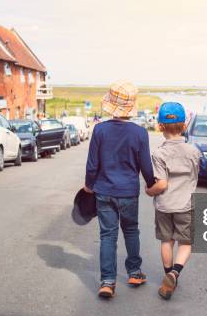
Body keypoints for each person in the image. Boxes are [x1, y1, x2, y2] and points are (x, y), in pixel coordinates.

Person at [84, 80, 155, 299]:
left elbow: (92, 164)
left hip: (104, 191)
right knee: (131, 231)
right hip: (129, 192)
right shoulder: (140, 133)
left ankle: (107, 282)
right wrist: (152, 183)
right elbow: (146, 166)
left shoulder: (100, 130)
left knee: (108, 235)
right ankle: (134, 272)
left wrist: (89, 185)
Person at [146, 102, 200, 300]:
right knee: (185, 243)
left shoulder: (159, 154)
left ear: (160, 126)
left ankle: (167, 274)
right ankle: (175, 273)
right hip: (186, 204)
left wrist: (149, 191)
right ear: (184, 125)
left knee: (166, 241)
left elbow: (161, 185)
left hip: (164, 206)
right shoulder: (194, 151)